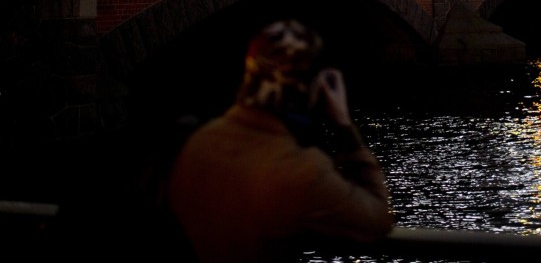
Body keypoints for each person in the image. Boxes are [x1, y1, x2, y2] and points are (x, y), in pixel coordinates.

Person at [167, 20, 395, 263]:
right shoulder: (303, 172)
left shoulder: (197, 142)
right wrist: (344, 128)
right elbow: (377, 220)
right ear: (312, 88)